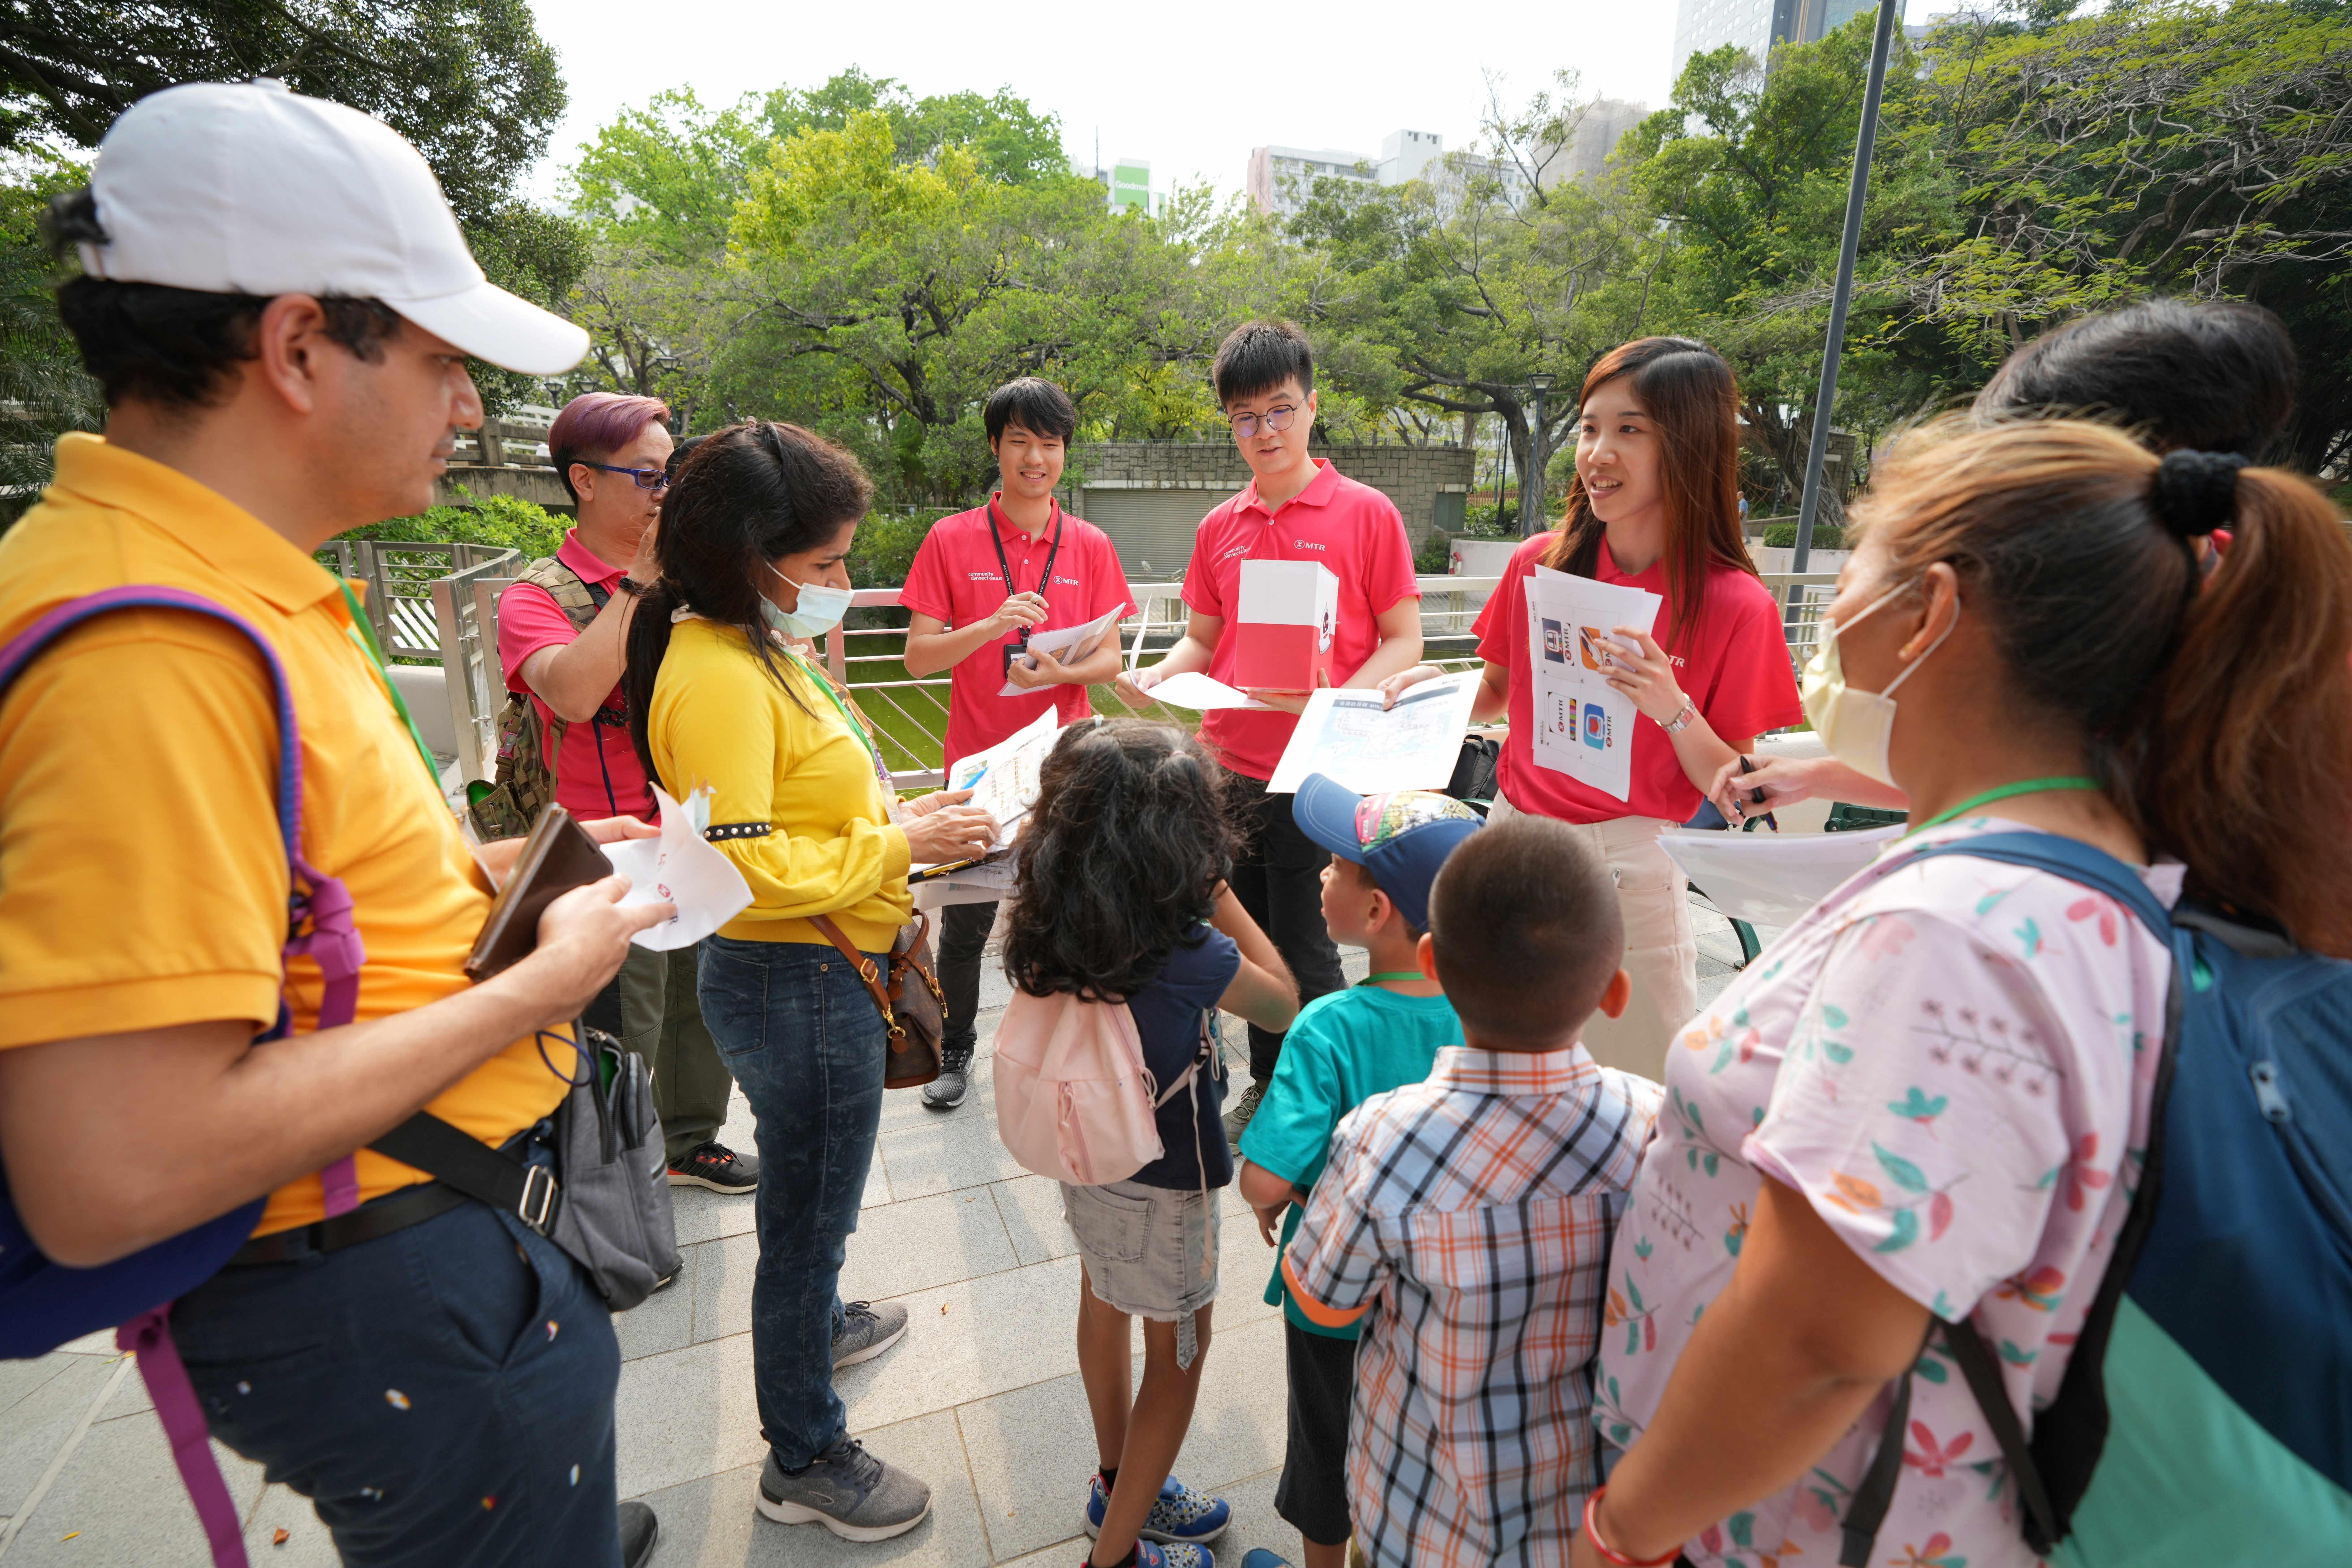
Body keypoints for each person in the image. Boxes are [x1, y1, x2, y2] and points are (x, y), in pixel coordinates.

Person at [0, 83, 672, 1565]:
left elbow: (291, 899)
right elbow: (115, 1170)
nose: (470, 405)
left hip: (413, 1250)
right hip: (383, 1281)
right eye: (440, 357)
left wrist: (508, 873)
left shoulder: (240, 584)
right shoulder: (151, 649)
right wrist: (544, 985)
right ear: (299, 347)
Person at [1573, 418, 2352, 1568]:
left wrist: (1621, 1531)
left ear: (1929, 614)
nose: (1831, 620)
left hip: (1795, 1530)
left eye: (1851, 576)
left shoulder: (1949, 935)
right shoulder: (2123, 874)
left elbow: (1818, 1343)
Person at [623, 419, 999, 1542]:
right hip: (798, 983)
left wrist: (904, 818)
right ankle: (804, 1455)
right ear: (750, 555)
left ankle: (820, 1323)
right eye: (826, 563)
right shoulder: (721, 676)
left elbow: (797, 806)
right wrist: (900, 851)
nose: (843, 584)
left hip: (817, 967)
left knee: (811, 1203)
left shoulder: (750, 649)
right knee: (804, 1223)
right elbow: (740, 869)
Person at [1706, 298, 2300, 826]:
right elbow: (2006, 770)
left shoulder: (2264, 660)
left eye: (2019, 471)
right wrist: (1814, 776)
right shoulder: (2193, 586)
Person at [1382, 337, 1801, 1080]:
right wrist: (1434, 687)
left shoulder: (1737, 605)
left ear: (1691, 444)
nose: (1597, 452)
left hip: (1631, 869)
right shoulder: (1539, 563)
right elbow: (1498, 693)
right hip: (1513, 838)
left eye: (1629, 430)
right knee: (1493, 1073)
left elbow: (1736, 789)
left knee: (1641, 1083)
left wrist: (1670, 706)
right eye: (1588, 427)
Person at [1282, 815, 1663, 1568]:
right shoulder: (1658, 1128)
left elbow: (1321, 1301)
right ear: (1614, 993)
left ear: (1433, 962)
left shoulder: (1381, 1138)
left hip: (1421, 1522)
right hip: (1589, 1525)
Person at [1000, 718, 1301, 1568]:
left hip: (1085, 1153)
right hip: (1167, 1173)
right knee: (1178, 1357)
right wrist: (1214, 892)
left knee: (1103, 1296)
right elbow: (1281, 998)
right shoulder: (1184, 947)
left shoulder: (1047, 912)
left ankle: (1115, 1479)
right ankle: (1117, 1556)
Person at [1115, 320, 1423, 1143]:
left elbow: (1404, 637)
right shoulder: (1220, 526)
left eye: (1280, 410)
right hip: (1226, 767)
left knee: (1309, 945)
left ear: (1312, 407)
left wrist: (1336, 703)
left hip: (1319, 769)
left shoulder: (1365, 513)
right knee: (1240, 938)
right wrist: (1158, 675)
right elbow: (1203, 638)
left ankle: (1329, 1102)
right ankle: (1268, 1082)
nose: (1265, 433)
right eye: (1246, 418)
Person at [499, 390, 754, 1196]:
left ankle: (690, 1139)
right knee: (620, 1026)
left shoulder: (694, 581)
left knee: (701, 1002)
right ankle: (612, 1179)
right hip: (604, 850)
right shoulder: (536, 595)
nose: (664, 494)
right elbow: (572, 692)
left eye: (670, 474)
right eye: (646, 477)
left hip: (694, 826)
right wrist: (641, 581)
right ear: (583, 479)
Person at [1233, 779, 1482, 1568]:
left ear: (1376, 914)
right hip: (1449, 1291)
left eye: (1337, 867)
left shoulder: (1329, 1026)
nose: (1318, 876)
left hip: (1336, 1297)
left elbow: (1263, 1183)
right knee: (1411, 1445)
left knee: (1327, 1443)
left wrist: (1299, 1188)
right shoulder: (1493, 1013)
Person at [899, 376, 1135, 1110]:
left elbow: (1112, 659)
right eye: (1021, 442)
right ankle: (956, 1050)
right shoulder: (951, 538)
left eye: (1051, 443)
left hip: (1065, 769)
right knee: (966, 923)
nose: (1036, 458)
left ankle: (1070, 1052)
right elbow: (918, 657)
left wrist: (1062, 671)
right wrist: (992, 626)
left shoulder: (1090, 543)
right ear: (996, 448)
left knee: (1073, 910)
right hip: (976, 771)